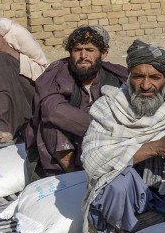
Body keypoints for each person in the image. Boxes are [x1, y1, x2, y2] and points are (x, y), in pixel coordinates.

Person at [80, 41, 165, 233]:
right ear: (128, 78)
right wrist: (153, 148)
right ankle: (123, 230)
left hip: (164, 192)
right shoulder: (108, 107)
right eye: (138, 77)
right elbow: (93, 162)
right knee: (117, 183)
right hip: (128, 199)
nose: (146, 86)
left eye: (155, 78)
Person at [25, 26, 127, 174]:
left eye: (90, 50)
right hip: (72, 142)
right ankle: (74, 174)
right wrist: (103, 129)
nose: (83, 55)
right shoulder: (58, 74)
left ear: (103, 53)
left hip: (109, 144)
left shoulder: (115, 76)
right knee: (50, 123)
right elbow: (53, 109)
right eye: (77, 50)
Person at [0, 0, 48, 151]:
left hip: (24, 97)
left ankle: (1, 131)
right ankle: (1, 143)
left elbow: (45, 73)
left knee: (1, 59)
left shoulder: (13, 32)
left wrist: (8, 50)